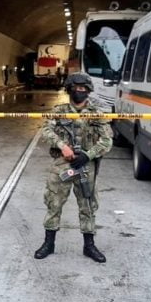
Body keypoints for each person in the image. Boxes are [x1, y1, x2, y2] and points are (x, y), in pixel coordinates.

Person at [34, 72, 113, 263]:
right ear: (69, 89)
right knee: (54, 202)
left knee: (88, 204)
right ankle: (49, 243)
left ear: (89, 90)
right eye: (76, 88)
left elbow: (107, 140)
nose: (80, 92)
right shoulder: (59, 110)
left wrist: (88, 155)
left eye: (84, 89)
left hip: (86, 164)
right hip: (62, 163)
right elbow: (45, 130)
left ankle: (89, 245)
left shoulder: (97, 112)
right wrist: (62, 146)